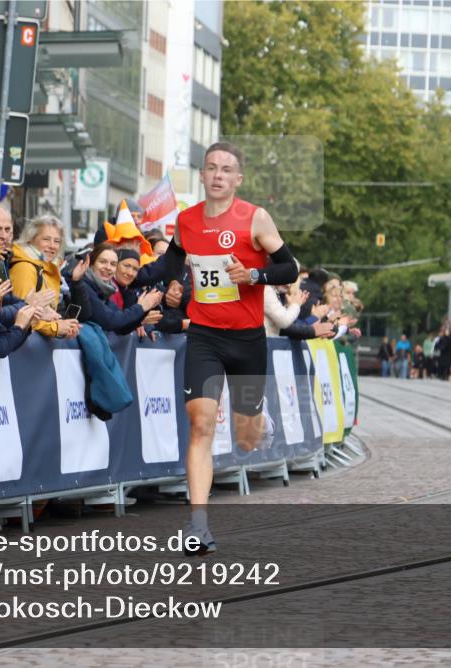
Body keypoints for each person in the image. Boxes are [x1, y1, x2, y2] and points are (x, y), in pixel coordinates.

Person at [150, 142, 299, 555]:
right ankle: (197, 525)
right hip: (204, 335)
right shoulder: (186, 221)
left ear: (238, 179)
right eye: (211, 168)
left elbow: (290, 268)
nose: (218, 175)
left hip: (248, 339)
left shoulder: (255, 218)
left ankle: (259, 421)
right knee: (200, 424)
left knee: (246, 439)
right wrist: (137, 275)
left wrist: (254, 274)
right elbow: (168, 266)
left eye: (226, 169)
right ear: (201, 175)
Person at [9, 216, 82, 339]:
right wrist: (56, 328)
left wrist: (63, 327)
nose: (52, 246)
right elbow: (20, 317)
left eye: (57, 241)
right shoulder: (25, 268)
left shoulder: (48, 267)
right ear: (31, 239)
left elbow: (45, 316)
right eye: (46, 239)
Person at [82, 243, 163, 334]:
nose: (108, 267)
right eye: (102, 262)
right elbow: (110, 320)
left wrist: (144, 311)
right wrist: (141, 307)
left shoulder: (106, 290)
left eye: (113, 264)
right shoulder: (83, 285)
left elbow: (120, 328)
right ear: (91, 263)